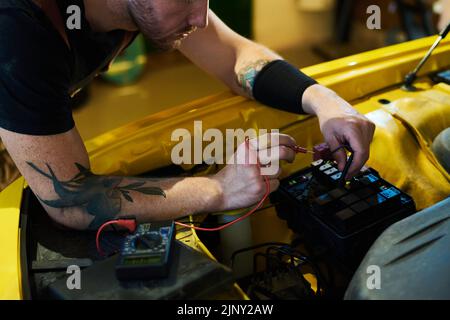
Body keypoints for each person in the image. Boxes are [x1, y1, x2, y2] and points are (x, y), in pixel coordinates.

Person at [0, 0, 375, 230]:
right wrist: (219, 188)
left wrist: (324, 101)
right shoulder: (18, 27)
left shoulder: (144, 6)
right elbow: (72, 200)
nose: (200, 16)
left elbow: (233, 58)